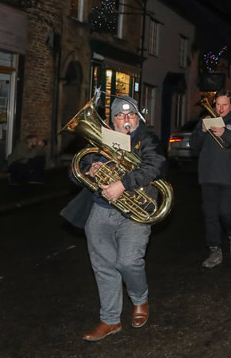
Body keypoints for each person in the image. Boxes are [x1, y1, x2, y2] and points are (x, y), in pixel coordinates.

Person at [60, 96, 166, 342]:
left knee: (128, 261)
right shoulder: (100, 139)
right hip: (100, 209)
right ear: (112, 120)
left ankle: (140, 300)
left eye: (131, 115)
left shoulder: (147, 139)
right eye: (120, 115)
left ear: (137, 117)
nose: (126, 119)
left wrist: (123, 184)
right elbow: (74, 171)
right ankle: (110, 320)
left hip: (135, 210)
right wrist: (90, 170)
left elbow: (156, 166)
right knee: (104, 267)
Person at [190, 90, 231, 269]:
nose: (220, 108)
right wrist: (202, 131)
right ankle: (214, 250)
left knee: (226, 212)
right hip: (208, 175)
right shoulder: (205, 120)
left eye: (224, 105)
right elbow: (194, 147)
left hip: (230, 176)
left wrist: (225, 133)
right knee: (210, 215)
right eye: (218, 104)